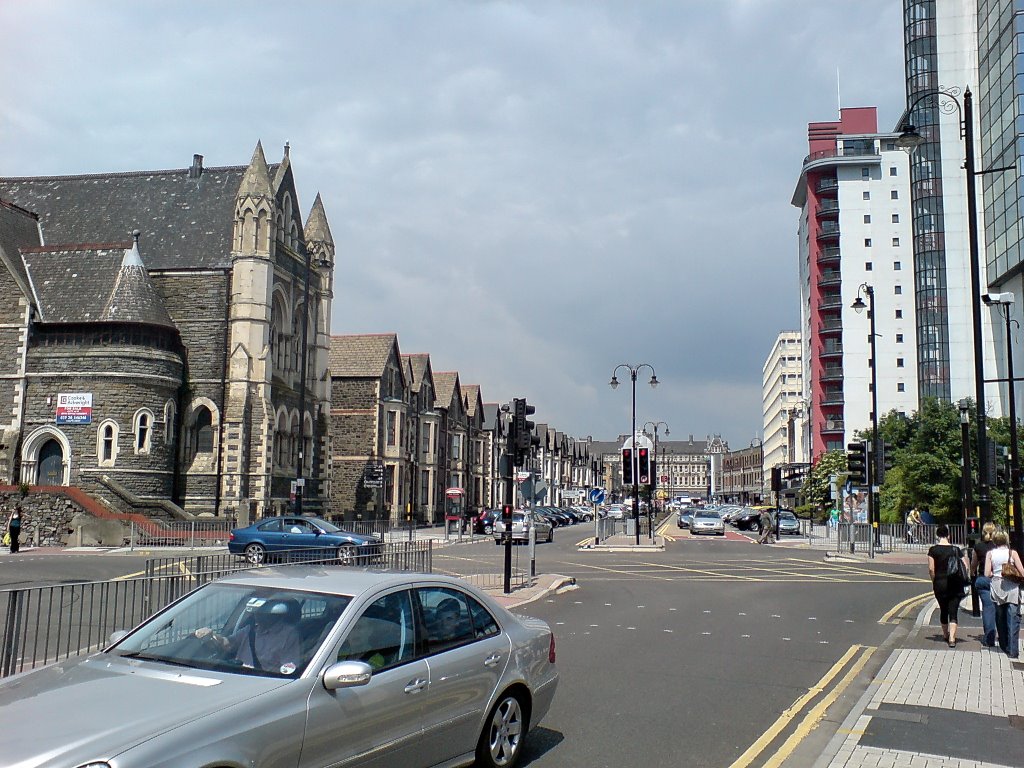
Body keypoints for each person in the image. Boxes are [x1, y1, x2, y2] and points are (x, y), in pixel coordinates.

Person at [196, 597, 303, 674]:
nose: (256, 616)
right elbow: (228, 644)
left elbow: (289, 667)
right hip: (237, 674)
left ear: (274, 615)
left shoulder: (288, 634)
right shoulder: (250, 630)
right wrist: (212, 636)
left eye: (261, 613)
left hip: (266, 681)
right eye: (255, 613)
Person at [928, 524, 969, 648]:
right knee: (953, 611)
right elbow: (965, 566)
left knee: (943, 609)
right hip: (955, 583)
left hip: (940, 583)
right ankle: (952, 638)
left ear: (937, 536)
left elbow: (931, 569)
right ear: (948, 535)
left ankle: (945, 634)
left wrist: (934, 580)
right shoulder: (956, 550)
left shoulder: (933, 550)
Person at [985, 530, 1024, 659]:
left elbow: (986, 574)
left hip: (997, 587)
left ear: (994, 540)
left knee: (1000, 617)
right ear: (1006, 540)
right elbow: (1022, 572)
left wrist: (995, 574)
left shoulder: (990, 554)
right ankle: (1013, 651)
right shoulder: (1012, 553)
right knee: (1013, 618)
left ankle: (1003, 645)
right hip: (1012, 587)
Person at [971, 522, 999, 647]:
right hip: (999, 580)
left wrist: (972, 573)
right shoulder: (1000, 546)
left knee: (988, 609)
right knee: (1001, 609)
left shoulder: (979, 546)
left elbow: (974, 564)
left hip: (984, 579)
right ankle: (1004, 637)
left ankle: (989, 639)